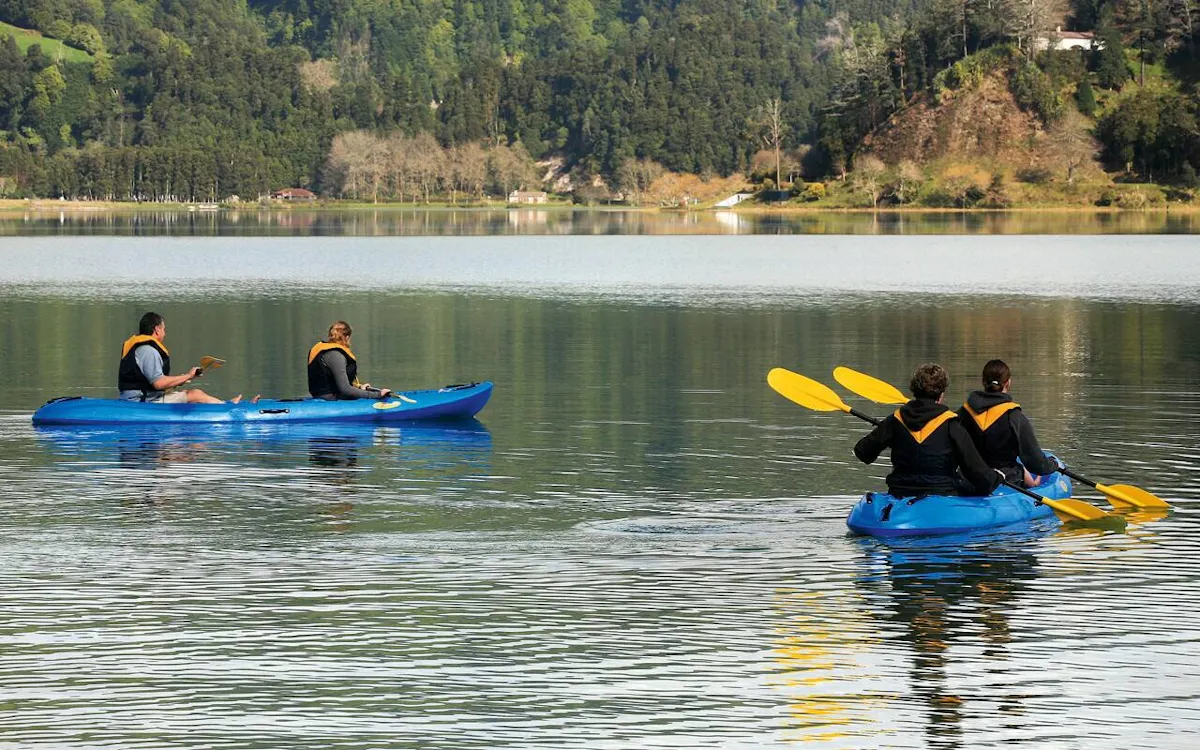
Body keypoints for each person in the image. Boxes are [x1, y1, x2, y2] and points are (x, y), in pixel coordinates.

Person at [854, 363, 1002, 497]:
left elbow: (862, 452)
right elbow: (977, 472)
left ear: (914, 391)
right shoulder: (952, 425)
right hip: (942, 494)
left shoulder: (895, 420)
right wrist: (997, 477)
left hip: (900, 492)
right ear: (941, 395)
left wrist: (897, 439)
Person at [957, 359, 1061, 487]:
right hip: (1006, 478)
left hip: (968, 478)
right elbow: (1036, 463)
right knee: (1023, 471)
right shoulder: (1015, 417)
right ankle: (1033, 485)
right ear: (1008, 383)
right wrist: (1053, 464)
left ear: (983, 381)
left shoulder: (962, 413)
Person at [118, 312, 239, 404]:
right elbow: (159, 384)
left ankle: (221, 405)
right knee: (195, 394)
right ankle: (227, 408)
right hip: (141, 402)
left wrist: (182, 379)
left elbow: (152, 383)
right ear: (157, 330)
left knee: (190, 396)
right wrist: (188, 376)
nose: (165, 333)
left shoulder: (142, 348)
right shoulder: (148, 351)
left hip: (140, 397)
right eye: (164, 329)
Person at [307, 321, 393, 400]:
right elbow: (345, 389)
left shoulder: (324, 350)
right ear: (347, 337)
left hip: (321, 396)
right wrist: (377, 395)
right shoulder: (336, 355)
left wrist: (359, 388)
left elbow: (333, 382)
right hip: (331, 399)